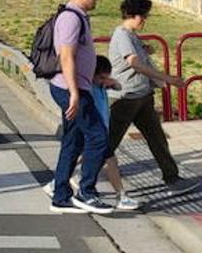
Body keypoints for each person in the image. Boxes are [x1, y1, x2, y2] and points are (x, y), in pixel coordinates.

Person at [108, 0, 201, 197]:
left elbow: (136, 57)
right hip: (126, 97)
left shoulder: (131, 35)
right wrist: (167, 79)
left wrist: (145, 50)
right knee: (107, 143)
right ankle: (69, 176)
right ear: (135, 15)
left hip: (142, 96)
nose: (145, 21)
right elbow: (134, 63)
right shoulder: (123, 35)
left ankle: (172, 177)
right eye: (144, 16)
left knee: (157, 138)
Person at [48, 0, 113, 214]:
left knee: (73, 140)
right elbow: (66, 56)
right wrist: (75, 93)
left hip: (73, 87)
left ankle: (61, 195)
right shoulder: (71, 18)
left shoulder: (77, 17)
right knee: (98, 137)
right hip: (70, 88)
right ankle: (87, 192)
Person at [43, 55, 141, 212]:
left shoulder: (100, 86)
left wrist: (110, 82)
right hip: (93, 130)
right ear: (91, 75)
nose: (104, 81)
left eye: (106, 78)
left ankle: (57, 183)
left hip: (97, 128)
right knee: (109, 158)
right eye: (101, 77)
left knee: (81, 156)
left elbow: (117, 86)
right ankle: (118, 196)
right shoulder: (89, 90)